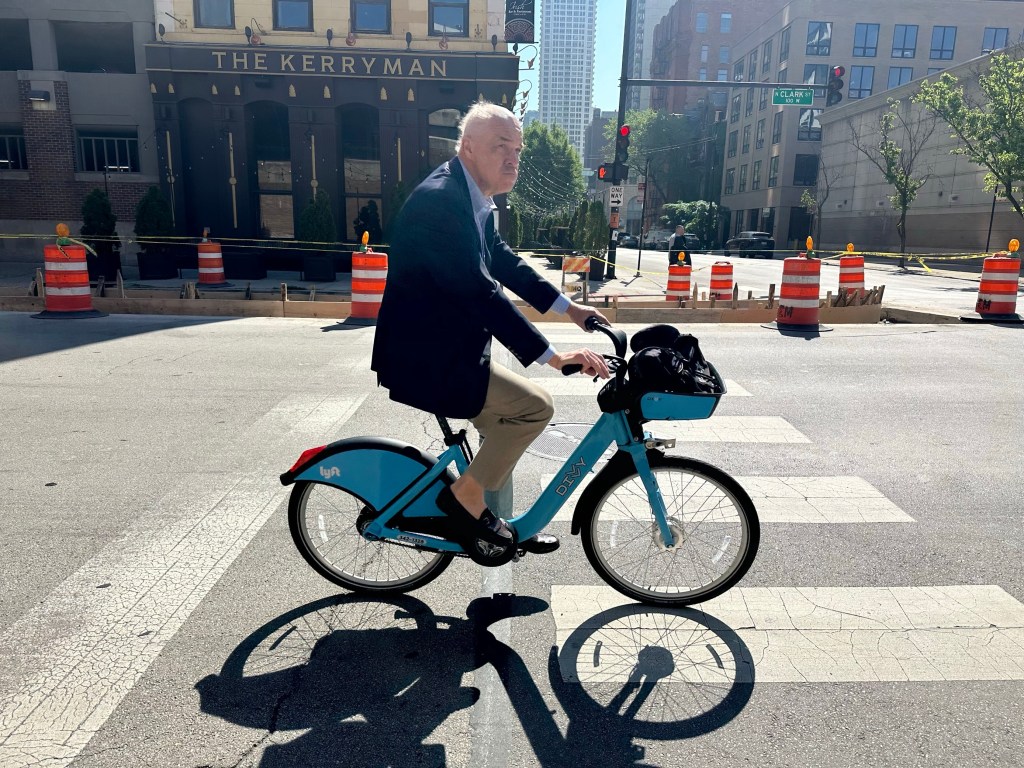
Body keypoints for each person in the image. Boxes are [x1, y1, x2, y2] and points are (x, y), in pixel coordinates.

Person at [370, 101, 610, 555]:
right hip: (429, 359)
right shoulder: (441, 202)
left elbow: (502, 260)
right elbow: (480, 293)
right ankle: (466, 501)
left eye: (517, 149)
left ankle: (492, 520)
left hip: (449, 348)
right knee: (534, 408)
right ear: (469, 147)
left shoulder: (472, 197)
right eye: (501, 146)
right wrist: (554, 357)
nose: (512, 158)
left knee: (508, 421)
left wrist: (568, 308)